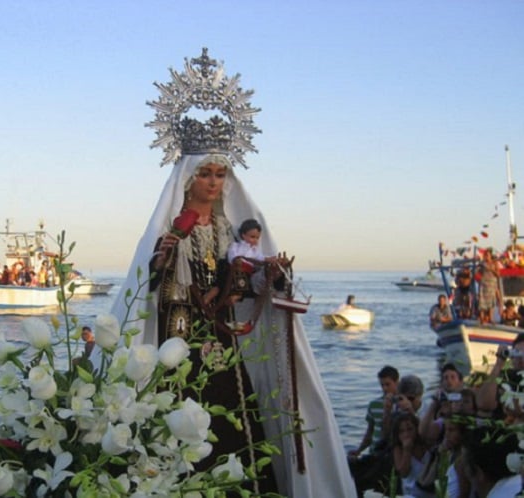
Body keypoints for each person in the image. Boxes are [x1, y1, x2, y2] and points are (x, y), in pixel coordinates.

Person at [99, 49, 356, 497]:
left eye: (221, 174)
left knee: (233, 420)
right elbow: (148, 287)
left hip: (222, 339)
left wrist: (266, 279)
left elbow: (248, 279)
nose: (214, 182)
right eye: (206, 174)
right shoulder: (169, 230)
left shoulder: (234, 229)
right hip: (179, 342)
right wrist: (165, 263)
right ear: (188, 179)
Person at [348, 365, 400, 497]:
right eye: (382, 385)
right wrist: (359, 449)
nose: (385, 388)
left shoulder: (401, 405)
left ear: (396, 383)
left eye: (388, 384)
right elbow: (370, 432)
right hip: (375, 452)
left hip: (390, 453)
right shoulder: (374, 405)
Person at [391, 412, 433, 498]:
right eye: (401, 431)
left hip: (431, 491)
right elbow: (404, 473)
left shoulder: (426, 444)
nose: (406, 434)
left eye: (410, 429)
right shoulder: (398, 449)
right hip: (411, 493)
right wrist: (407, 451)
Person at [477, 249, 501, 324]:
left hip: (492, 283)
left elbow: (498, 274)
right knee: (482, 301)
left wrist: (491, 269)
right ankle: (482, 317)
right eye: (485, 255)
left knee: (491, 301)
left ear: (490, 255)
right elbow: (479, 272)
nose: (486, 256)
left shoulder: (495, 263)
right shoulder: (482, 263)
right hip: (484, 283)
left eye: (487, 255)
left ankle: (491, 318)